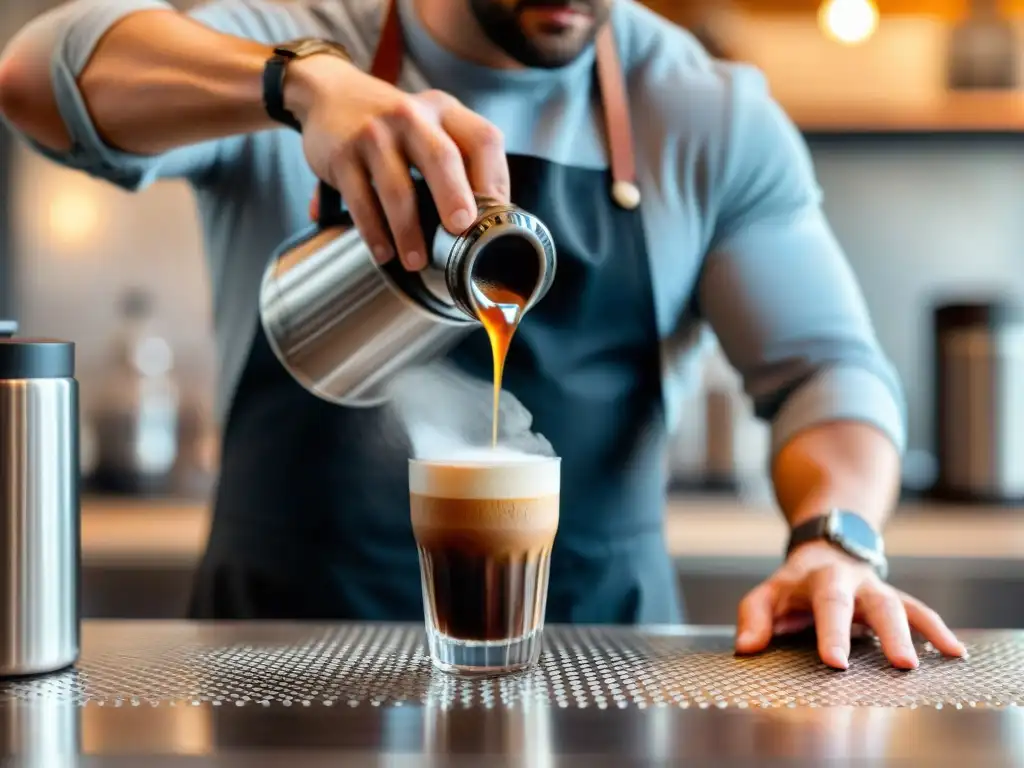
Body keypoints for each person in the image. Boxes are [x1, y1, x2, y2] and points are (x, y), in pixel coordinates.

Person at [0, 0, 965, 671]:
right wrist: (299, 86)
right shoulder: (297, 39)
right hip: (277, 683)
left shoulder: (707, 112)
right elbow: (35, 76)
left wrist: (834, 539)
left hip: (601, 686)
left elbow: (826, 372)